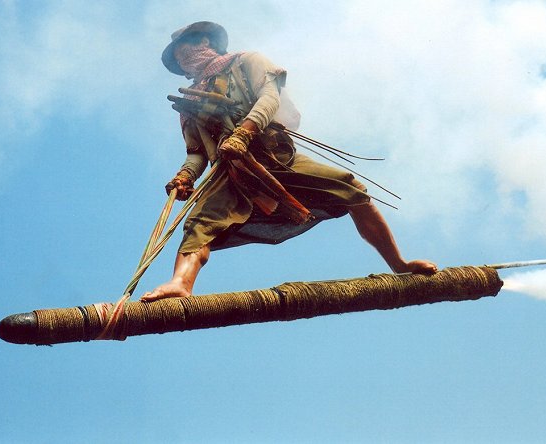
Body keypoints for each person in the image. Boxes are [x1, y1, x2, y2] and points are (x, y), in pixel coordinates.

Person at [142, 22, 436, 302]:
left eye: (185, 51)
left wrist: (245, 132)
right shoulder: (189, 103)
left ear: (205, 42)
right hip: (231, 172)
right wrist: (185, 176)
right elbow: (197, 152)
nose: (183, 60)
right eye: (179, 59)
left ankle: (398, 262)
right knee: (199, 223)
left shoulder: (247, 61)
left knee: (351, 189)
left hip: (275, 155)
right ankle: (181, 283)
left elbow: (269, 98)